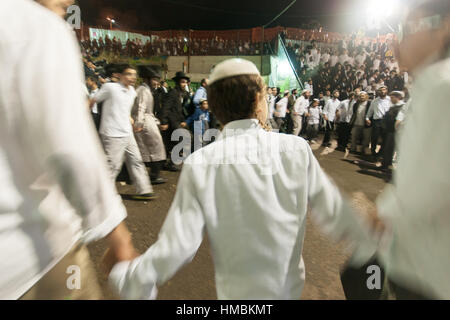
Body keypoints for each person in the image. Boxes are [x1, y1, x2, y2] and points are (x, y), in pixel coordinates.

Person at [107, 58, 380, 300]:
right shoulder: (296, 149)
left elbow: (179, 245)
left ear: (212, 106)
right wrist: (374, 238)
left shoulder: (201, 163)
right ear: (260, 100)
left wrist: (130, 276)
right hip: (289, 289)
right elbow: (334, 212)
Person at [0, 0, 137, 299]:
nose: (70, 1)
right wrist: (117, 234)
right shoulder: (38, 26)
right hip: (33, 254)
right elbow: (71, 150)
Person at [347, 0, 450, 299]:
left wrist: (383, 213)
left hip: (425, 269)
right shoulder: (431, 84)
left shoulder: (439, 86)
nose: (397, 40)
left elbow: (433, 182)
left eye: (408, 29)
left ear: (444, 28)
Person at [90, 65, 156, 201]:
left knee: (137, 160)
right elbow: (93, 100)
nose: (133, 77)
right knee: (112, 165)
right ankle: (101, 194)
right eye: (129, 74)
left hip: (127, 132)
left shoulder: (132, 91)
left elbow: (125, 111)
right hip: (112, 132)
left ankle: (144, 190)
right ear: (119, 75)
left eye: (134, 74)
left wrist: (132, 122)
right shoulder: (110, 88)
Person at [132, 65, 167, 185]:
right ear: (146, 79)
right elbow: (140, 108)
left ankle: (153, 174)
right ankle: (153, 175)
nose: (156, 82)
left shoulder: (146, 90)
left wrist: (157, 122)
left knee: (154, 148)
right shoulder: (142, 90)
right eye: (154, 79)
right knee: (155, 147)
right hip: (145, 123)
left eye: (157, 79)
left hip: (148, 121)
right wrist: (139, 123)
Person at [159, 71, 190, 171]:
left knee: (172, 142)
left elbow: (179, 109)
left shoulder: (182, 93)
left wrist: (183, 120)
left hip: (177, 121)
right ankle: (170, 162)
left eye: (185, 82)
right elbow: (165, 108)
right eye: (182, 82)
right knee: (179, 139)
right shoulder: (173, 93)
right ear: (177, 83)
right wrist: (164, 122)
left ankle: (167, 162)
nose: (184, 84)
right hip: (171, 121)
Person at [381, 91, 405, 172]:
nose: (391, 99)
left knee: (391, 148)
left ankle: (387, 165)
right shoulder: (393, 106)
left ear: (397, 97)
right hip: (389, 130)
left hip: (395, 131)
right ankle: (386, 164)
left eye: (392, 98)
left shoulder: (402, 106)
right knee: (388, 148)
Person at [366, 86, 391, 159]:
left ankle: (380, 153)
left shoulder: (390, 100)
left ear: (386, 91)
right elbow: (370, 111)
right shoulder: (375, 101)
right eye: (381, 90)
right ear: (378, 92)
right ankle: (373, 153)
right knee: (374, 138)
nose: (382, 92)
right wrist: (367, 118)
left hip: (386, 121)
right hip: (377, 121)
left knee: (385, 139)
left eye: (384, 90)